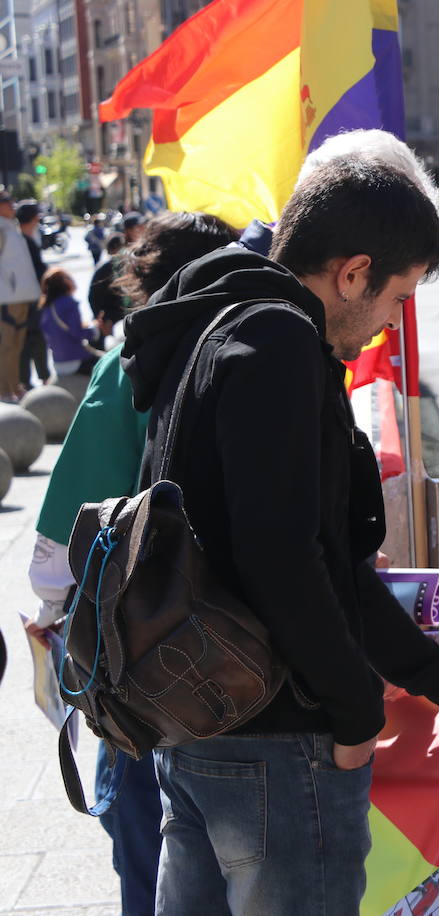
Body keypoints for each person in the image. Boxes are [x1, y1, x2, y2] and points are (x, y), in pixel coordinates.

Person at [120, 157, 439, 914]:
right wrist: (354, 711)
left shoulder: (218, 320)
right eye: (396, 296)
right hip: (276, 733)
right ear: (353, 273)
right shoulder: (277, 343)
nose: (388, 321)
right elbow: (286, 557)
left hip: (197, 712)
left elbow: (314, 557)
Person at [25, 211, 239, 916]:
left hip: (139, 655)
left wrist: (52, 613)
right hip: (240, 658)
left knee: (146, 850)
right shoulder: (257, 354)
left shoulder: (128, 367)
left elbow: (63, 531)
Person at [0, 190, 39, 400]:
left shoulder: (9, 227)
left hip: (19, 296)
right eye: (6, 201)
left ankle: (14, 386)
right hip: (7, 297)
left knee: (16, 346)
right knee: (8, 346)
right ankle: (5, 389)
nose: (11, 204)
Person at [37, 267, 102, 377]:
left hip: (58, 362)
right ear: (65, 282)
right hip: (75, 359)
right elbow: (77, 333)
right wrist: (94, 330)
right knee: (112, 362)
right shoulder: (69, 303)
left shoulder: (46, 307)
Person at [17, 201, 52, 389]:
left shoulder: (25, 238)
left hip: (26, 295)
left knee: (30, 338)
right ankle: (33, 379)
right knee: (33, 337)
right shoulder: (22, 241)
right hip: (27, 296)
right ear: (34, 218)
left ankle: (30, 379)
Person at [90, 233, 129, 339]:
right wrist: (102, 320)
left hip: (125, 317)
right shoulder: (104, 270)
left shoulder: (129, 264)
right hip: (111, 321)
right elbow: (94, 298)